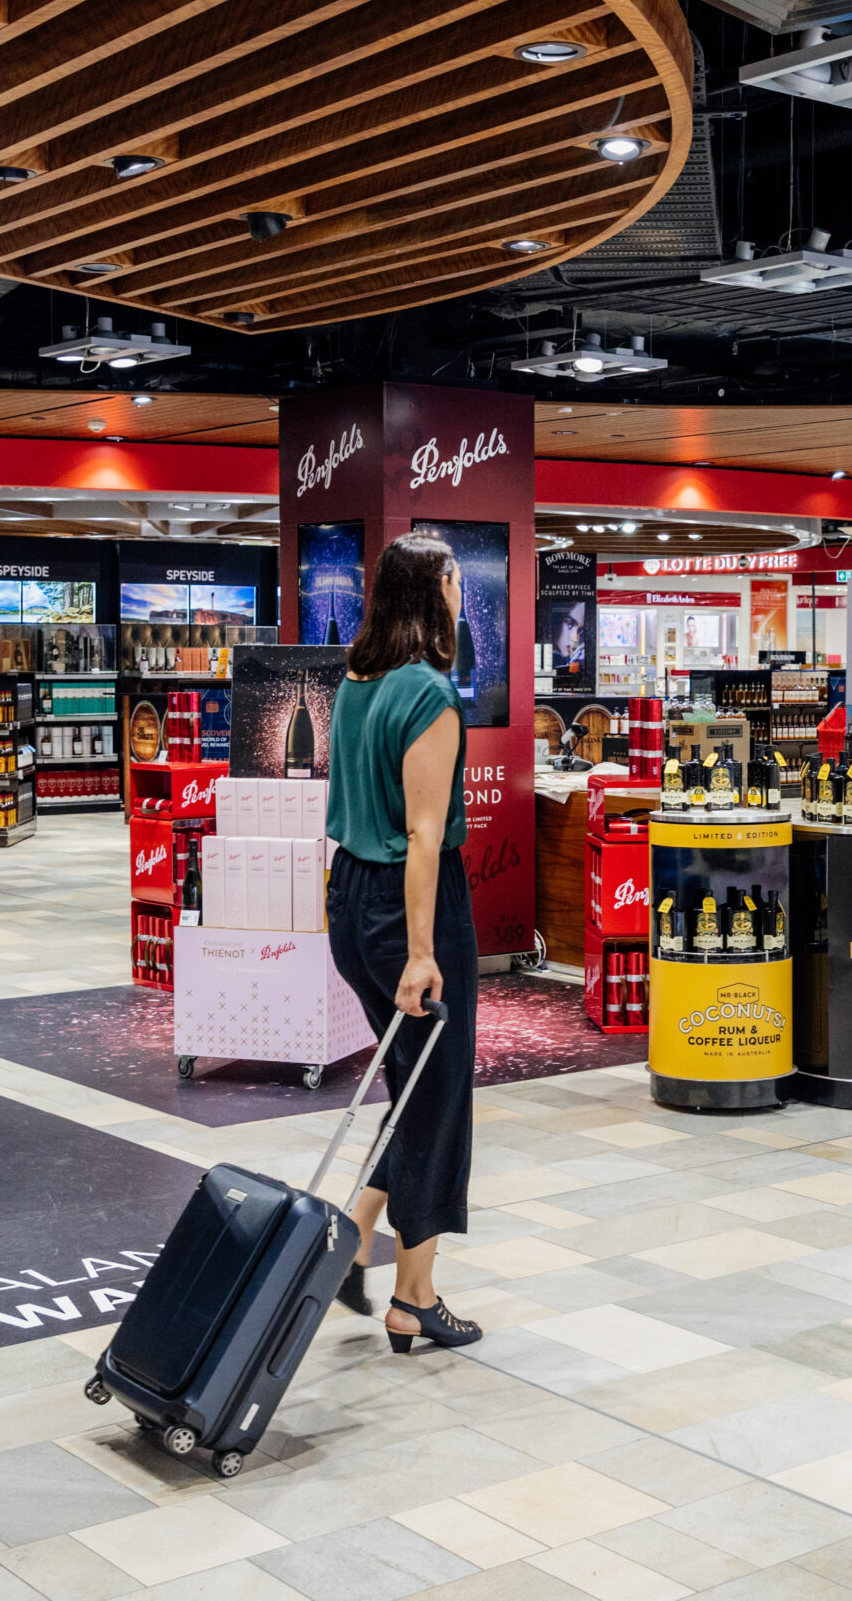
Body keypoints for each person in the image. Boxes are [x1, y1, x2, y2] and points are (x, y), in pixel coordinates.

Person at [324, 532, 481, 1352]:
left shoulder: (357, 679)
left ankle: (350, 1241)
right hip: (407, 906)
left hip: (350, 899)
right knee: (440, 1091)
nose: (462, 589)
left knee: (412, 1083)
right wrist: (424, 951)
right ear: (434, 590)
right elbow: (425, 835)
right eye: (454, 576)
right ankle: (415, 1295)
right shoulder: (427, 692)